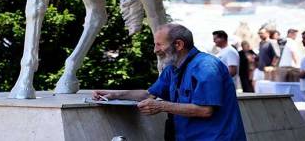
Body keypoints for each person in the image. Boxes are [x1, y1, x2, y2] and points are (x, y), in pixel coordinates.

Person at [93, 24, 246, 141]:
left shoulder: (206, 66)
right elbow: (149, 94)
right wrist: (114, 94)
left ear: (178, 45)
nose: (155, 50)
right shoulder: (172, 68)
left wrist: (161, 106)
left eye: (159, 44)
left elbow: (205, 110)